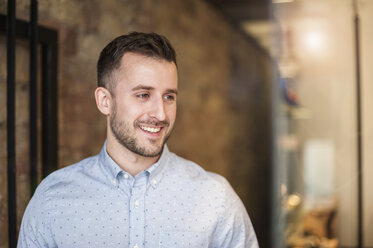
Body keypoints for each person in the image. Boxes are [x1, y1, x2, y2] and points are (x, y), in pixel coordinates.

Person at [18, 32, 259, 248]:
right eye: (143, 95)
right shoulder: (53, 198)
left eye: (169, 96)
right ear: (105, 101)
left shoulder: (216, 198)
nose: (161, 114)